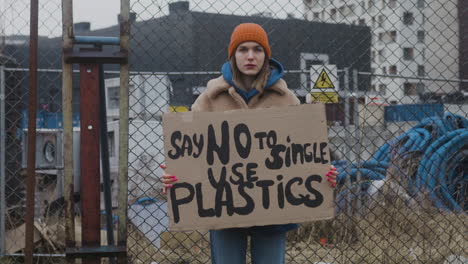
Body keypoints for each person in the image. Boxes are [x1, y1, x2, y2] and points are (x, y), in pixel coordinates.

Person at [161, 23, 338, 264]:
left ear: (266, 55)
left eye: (257, 49)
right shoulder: (208, 100)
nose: (251, 56)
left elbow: (304, 155)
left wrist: (321, 174)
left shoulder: (287, 100)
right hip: (223, 210)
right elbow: (191, 152)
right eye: (243, 49)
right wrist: (176, 176)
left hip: (274, 213)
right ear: (233, 54)